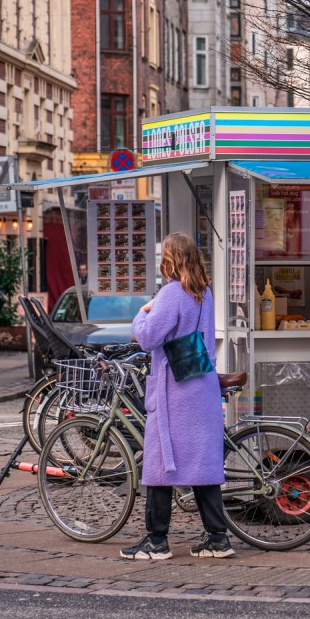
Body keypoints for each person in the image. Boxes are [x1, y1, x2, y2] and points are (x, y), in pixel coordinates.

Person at [121, 232, 234, 561]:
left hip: (174, 392)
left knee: (160, 467)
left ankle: (156, 541)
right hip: (201, 387)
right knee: (202, 466)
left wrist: (142, 311)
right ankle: (218, 538)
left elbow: (148, 337)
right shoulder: (204, 292)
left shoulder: (171, 294)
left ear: (170, 260)